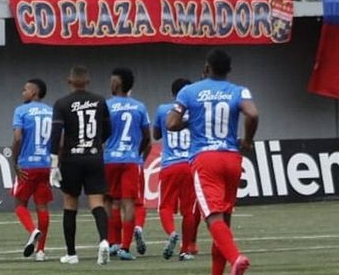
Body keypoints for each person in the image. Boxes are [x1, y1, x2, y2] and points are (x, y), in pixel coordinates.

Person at [167, 49, 259, 275]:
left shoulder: (189, 91)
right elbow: (253, 114)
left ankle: (235, 258)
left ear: (206, 68)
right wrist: (247, 141)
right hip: (231, 158)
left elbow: (170, 123)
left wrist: (190, 122)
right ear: (229, 70)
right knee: (223, 223)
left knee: (212, 217)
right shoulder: (239, 90)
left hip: (205, 159)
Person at [49, 66, 113, 265]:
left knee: (70, 203)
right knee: (97, 202)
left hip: (72, 158)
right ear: (88, 81)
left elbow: (55, 135)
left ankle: (71, 254)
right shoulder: (100, 100)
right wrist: (94, 144)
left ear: (69, 81)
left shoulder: (61, 103)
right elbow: (108, 129)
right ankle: (103, 241)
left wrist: (53, 163)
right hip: (94, 156)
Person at [103, 68, 150, 262]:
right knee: (129, 202)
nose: (110, 84)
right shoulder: (139, 107)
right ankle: (124, 247)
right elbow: (147, 137)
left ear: (118, 84)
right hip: (131, 159)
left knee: (111, 201)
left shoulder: (106, 105)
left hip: (110, 159)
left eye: (113, 81)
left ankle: (112, 242)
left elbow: (100, 134)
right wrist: (137, 156)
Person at [153, 78, 199, 262]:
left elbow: (156, 134)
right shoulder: (196, 111)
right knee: (188, 211)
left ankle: (172, 233)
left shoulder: (163, 110)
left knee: (165, 206)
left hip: (170, 164)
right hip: (190, 164)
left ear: (174, 93)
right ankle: (185, 250)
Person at [11, 78, 53, 262]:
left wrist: (15, 162)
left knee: (19, 204)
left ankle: (32, 230)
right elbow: (58, 140)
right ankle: (41, 251)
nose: (23, 92)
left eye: (25, 89)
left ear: (34, 92)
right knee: (42, 207)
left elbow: (18, 138)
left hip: (27, 165)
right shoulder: (51, 111)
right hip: (45, 164)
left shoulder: (21, 111)